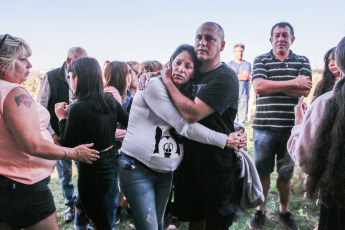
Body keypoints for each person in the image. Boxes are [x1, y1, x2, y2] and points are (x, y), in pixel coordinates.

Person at [119, 44, 245, 230]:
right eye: (177, 63)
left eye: (188, 66)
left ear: (194, 74)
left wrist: (234, 129)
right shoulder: (153, 85)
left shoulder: (183, 93)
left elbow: (208, 117)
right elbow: (183, 125)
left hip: (164, 174)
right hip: (137, 169)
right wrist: (224, 140)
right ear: (169, 65)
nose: (180, 69)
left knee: (160, 224)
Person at [0, 35, 99, 230]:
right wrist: (73, 153)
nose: (29, 65)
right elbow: (33, 144)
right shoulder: (15, 93)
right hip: (24, 186)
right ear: (2, 64)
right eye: (22, 59)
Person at [157, 22, 240, 230]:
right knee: (194, 218)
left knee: (216, 222)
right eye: (199, 37)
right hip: (187, 162)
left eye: (210, 38)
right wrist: (153, 75)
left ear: (222, 45)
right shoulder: (191, 70)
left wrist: (166, 81)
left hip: (217, 165)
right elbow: (171, 72)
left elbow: (192, 113)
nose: (202, 42)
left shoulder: (225, 77)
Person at [249, 22, 312, 230]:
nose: (281, 39)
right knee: (262, 173)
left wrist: (272, 86)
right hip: (263, 127)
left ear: (292, 39)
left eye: (285, 35)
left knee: (285, 174)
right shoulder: (261, 59)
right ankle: (261, 210)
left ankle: (284, 210)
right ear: (271, 39)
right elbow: (258, 86)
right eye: (277, 35)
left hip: (290, 130)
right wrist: (293, 82)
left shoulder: (302, 60)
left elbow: (304, 91)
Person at [55, 57, 129, 230]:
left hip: (91, 170)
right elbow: (129, 121)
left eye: (70, 76)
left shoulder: (78, 108)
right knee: (83, 206)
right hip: (109, 163)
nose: (69, 80)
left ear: (79, 78)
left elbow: (67, 143)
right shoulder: (109, 100)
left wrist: (62, 118)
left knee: (100, 221)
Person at [287, 36, 345, 230]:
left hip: (336, 199)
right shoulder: (323, 93)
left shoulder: (326, 103)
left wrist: (299, 125)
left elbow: (305, 159)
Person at [36, 46, 88, 224]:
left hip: (80, 136)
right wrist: (51, 134)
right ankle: (70, 204)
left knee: (83, 173)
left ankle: (82, 205)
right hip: (59, 136)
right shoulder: (51, 77)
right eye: (79, 61)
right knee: (65, 173)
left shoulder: (84, 76)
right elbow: (40, 107)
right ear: (68, 61)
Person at [103, 61, 130, 226]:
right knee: (108, 200)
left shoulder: (111, 93)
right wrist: (131, 134)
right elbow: (106, 130)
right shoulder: (112, 94)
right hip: (107, 152)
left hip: (110, 151)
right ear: (123, 76)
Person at [228, 43, 251, 127]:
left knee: (241, 122)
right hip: (231, 95)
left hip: (243, 95)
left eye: (241, 51)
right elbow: (227, 78)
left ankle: (241, 139)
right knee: (231, 120)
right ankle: (232, 139)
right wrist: (238, 76)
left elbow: (245, 76)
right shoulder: (229, 64)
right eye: (237, 51)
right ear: (234, 52)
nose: (239, 53)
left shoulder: (247, 64)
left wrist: (233, 75)